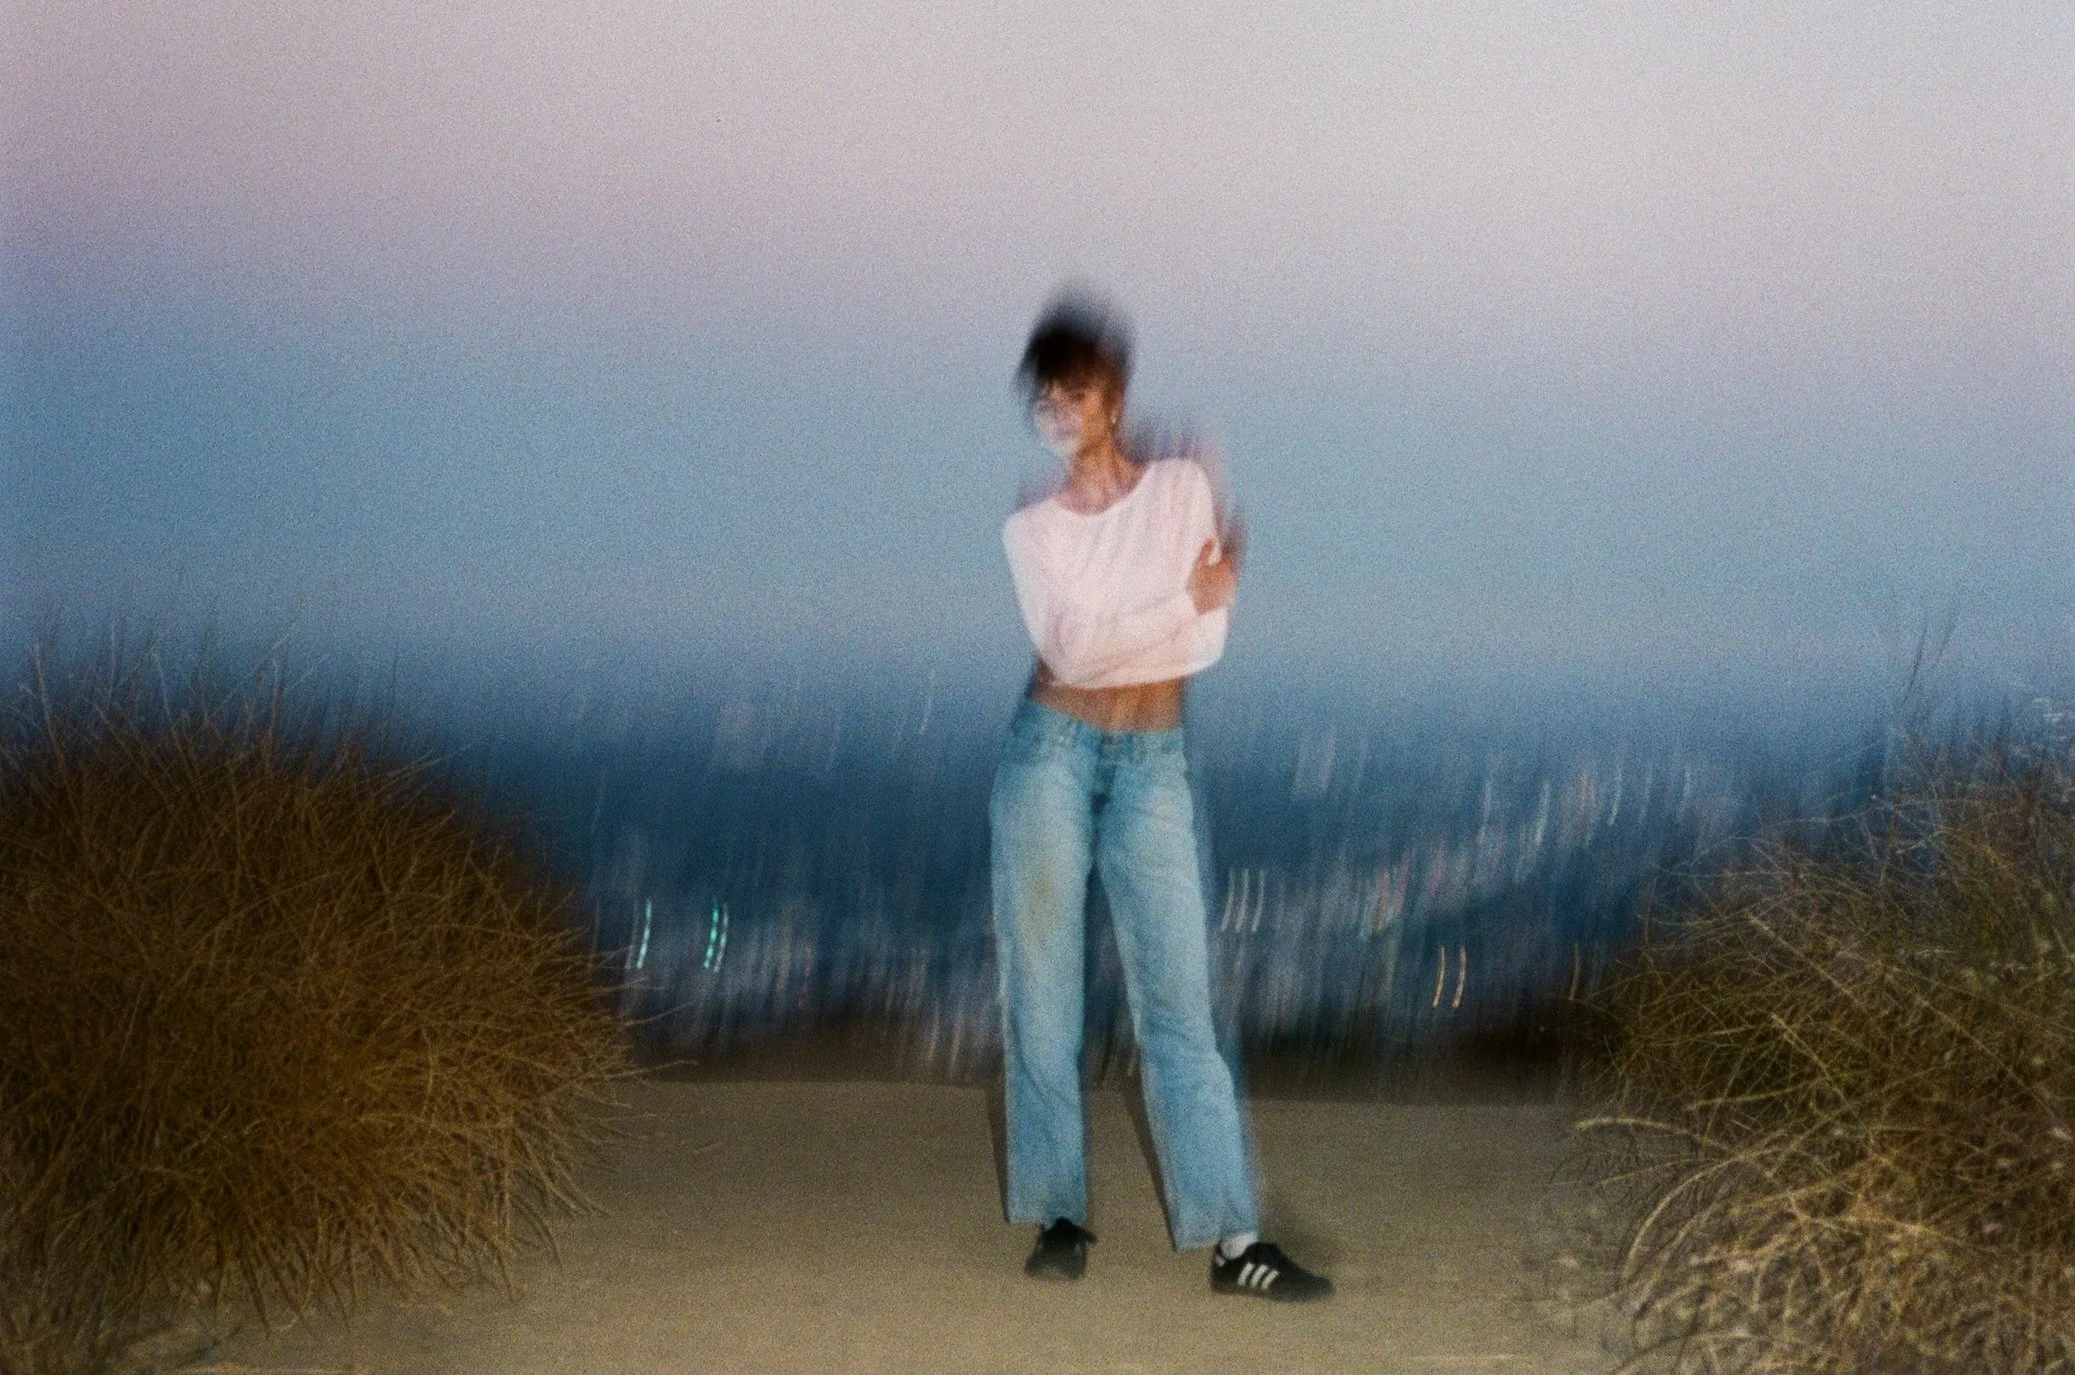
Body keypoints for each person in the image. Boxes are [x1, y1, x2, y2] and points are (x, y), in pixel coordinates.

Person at [989, 293, 1332, 1301]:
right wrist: (1185, 597)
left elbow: (1202, 649)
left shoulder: (1182, 485)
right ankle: (1058, 1214)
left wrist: (1169, 616)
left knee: (1180, 1005)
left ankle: (1234, 1241)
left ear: (1112, 395)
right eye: (1043, 396)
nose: (1058, 409)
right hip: (1046, 753)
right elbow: (1071, 649)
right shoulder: (1031, 528)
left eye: (1076, 390)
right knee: (1043, 997)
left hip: (1152, 761)